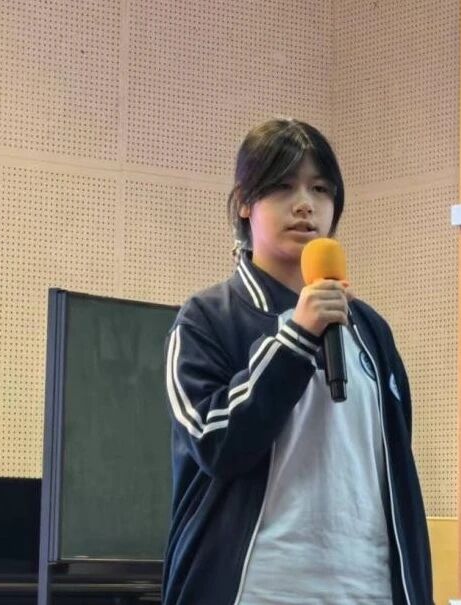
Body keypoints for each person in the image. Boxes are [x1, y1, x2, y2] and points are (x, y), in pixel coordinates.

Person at [161, 118, 432, 605]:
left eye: (320, 189)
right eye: (283, 186)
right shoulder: (207, 319)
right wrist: (296, 339)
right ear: (244, 203)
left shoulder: (370, 331)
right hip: (257, 590)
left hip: (366, 588)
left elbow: (398, 474)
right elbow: (215, 443)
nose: (305, 204)